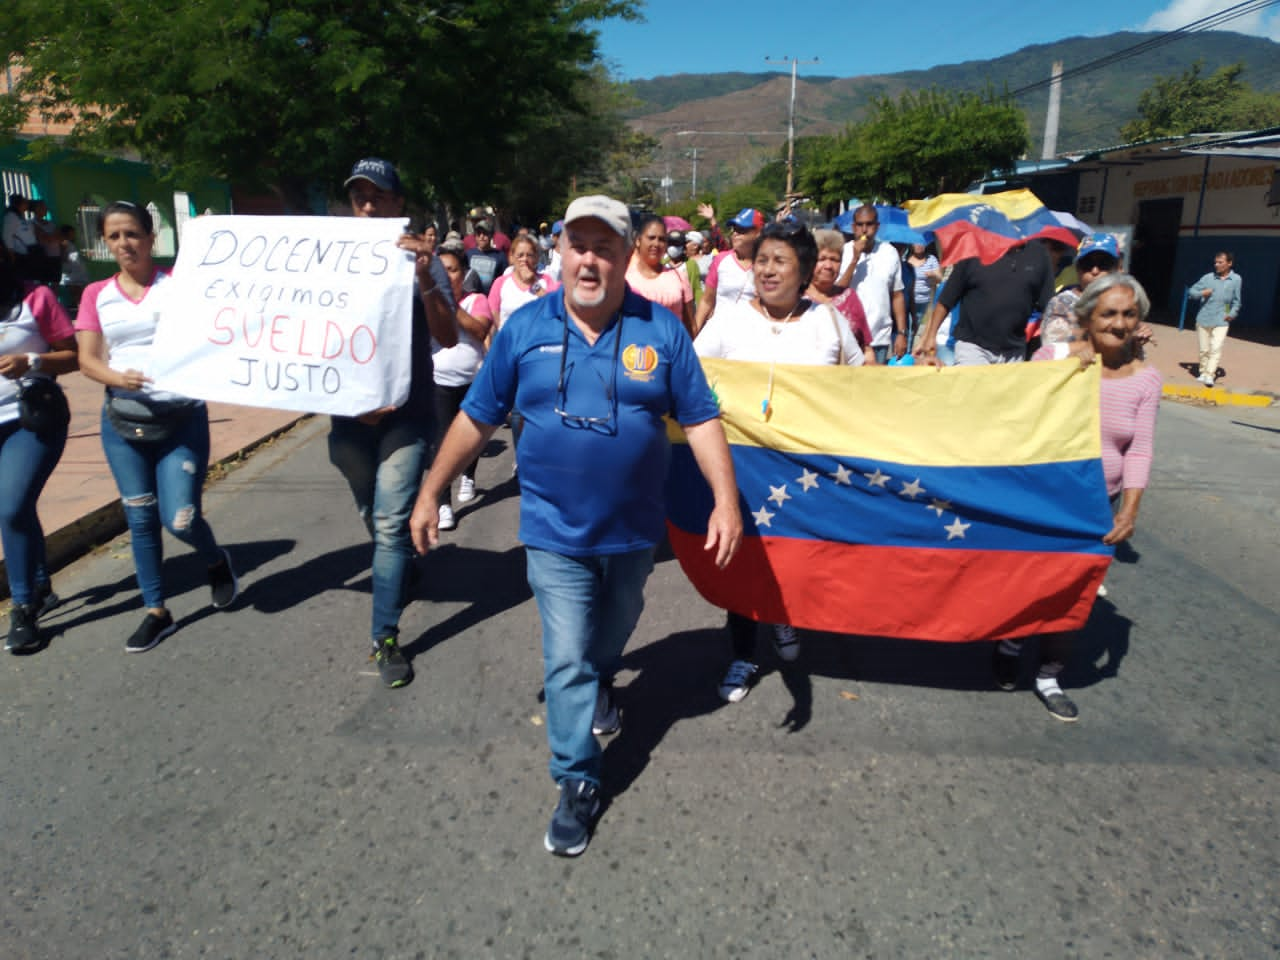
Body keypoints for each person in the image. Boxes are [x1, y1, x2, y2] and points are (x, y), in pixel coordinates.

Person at [409, 194, 742, 857]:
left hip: (633, 532)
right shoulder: (524, 329)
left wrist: (725, 500)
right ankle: (577, 780)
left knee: (609, 635)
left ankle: (601, 683)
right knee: (565, 656)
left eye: (605, 247)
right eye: (579, 245)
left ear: (624, 257)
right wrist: (431, 489)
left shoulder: (662, 331)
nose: (590, 259)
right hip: (552, 531)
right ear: (560, 252)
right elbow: (476, 417)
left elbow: (700, 417)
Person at [694, 221, 864, 703]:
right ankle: (744, 654)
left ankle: (786, 618)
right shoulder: (728, 320)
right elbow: (691, 376)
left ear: (805, 270)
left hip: (808, 474)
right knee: (744, 566)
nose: (767, 270)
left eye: (780, 261)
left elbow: (865, 385)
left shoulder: (828, 322)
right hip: (742, 470)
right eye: (763, 259)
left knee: (797, 560)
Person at [994, 273, 1162, 721]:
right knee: (1025, 585)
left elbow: (1139, 449)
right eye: (1109, 313)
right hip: (1040, 499)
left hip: (1093, 509)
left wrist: (1129, 510)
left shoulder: (1147, 380)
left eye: (1130, 314)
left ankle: (1049, 675)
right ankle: (1010, 641)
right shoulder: (1053, 358)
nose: (1120, 323)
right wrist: (1068, 363)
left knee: (1071, 596)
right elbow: (1011, 411)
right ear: (1087, 317)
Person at [74, 201, 239, 653]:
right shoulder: (95, 295)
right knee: (140, 518)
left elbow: (221, 311)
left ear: (150, 238)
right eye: (114, 237)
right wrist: (116, 378)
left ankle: (215, 561)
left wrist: (210, 241)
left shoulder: (179, 284)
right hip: (124, 423)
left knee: (181, 519)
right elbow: (87, 360)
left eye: (132, 234)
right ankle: (156, 611)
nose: (124, 244)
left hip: (181, 420)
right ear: (105, 243)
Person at [326, 158, 458, 688]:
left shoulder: (420, 261)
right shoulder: (329, 262)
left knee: (387, 521)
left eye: (378, 196)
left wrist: (426, 276)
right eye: (360, 196)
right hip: (349, 416)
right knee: (371, 510)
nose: (368, 205)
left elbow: (448, 336)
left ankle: (385, 635)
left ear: (399, 204)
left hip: (407, 412)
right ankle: (398, 563)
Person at [1, 259, 78, 653]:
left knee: (12, 507)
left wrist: (30, 361)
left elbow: (73, 355)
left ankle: (23, 608)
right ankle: (40, 582)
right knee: (17, 504)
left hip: (29, 418)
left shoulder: (35, 297)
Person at [915, 240, 1055, 367]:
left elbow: (1048, 307)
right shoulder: (974, 250)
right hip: (973, 347)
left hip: (1014, 351)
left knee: (1005, 396)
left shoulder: (1039, 255)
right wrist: (930, 335)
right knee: (973, 394)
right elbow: (947, 298)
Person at [432, 243, 493, 530]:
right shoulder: (426, 303)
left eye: (452, 270)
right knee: (442, 442)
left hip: (472, 382)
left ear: (464, 274)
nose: (446, 275)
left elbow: (479, 330)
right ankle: (443, 503)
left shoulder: (476, 300)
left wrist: (449, 303)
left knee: (471, 440)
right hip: (438, 383)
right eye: (440, 270)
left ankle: (468, 474)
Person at [836, 205, 908, 363]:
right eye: (860, 225)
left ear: (877, 227)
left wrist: (902, 333)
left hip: (879, 338)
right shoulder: (844, 252)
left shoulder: (889, 252)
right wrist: (855, 260)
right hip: (848, 336)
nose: (864, 230)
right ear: (853, 227)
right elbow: (837, 292)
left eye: (869, 224)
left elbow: (897, 295)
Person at [693, 207, 762, 335]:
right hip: (718, 333)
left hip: (752, 335)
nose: (735, 233)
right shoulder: (721, 260)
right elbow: (707, 301)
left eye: (742, 230)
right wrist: (694, 331)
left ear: (758, 232)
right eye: (734, 229)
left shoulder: (767, 265)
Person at [808, 229, 874, 358]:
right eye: (821, 259)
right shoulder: (795, 298)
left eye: (834, 260)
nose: (828, 265)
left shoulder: (850, 298)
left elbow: (866, 348)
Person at [626, 214, 695, 335]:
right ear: (638, 240)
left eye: (662, 239)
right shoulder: (624, 278)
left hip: (671, 351)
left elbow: (690, 326)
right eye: (651, 238)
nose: (656, 244)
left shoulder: (678, 277)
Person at [1189, 251, 1241, 387]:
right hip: (1204, 318)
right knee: (1204, 350)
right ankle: (1203, 373)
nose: (1216, 265)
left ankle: (1210, 375)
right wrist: (1202, 293)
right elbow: (1191, 292)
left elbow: (1235, 301)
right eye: (1215, 262)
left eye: (1220, 262)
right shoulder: (1207, 278)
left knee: (1216, 348)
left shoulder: (1236, 280)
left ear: (1229, 263)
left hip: (1221, 320)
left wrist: (1231, 314)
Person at [487, 234, 558, 331]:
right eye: (520, 255)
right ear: (511, 258)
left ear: (536, 258)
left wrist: (533, 283)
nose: (525, 259)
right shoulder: (500, 283)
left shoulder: (546, 280)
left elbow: (554, 309)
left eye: (529, 255)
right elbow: (493, 313)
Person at [904, 243, 941, 349]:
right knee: (908, 325)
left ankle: (909, 350)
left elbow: (939, 277)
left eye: (922, 244)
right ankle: (906, 352)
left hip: (923, 301)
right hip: (908, 300)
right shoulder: (906, 258)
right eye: (916, 244)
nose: (919, 246)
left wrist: (933, 275)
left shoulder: (931, 259)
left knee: (915, 327)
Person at [465, 221, 508, 294]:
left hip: (491, 298)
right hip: (472, 298)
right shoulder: (468, 254)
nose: (481, 236)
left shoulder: (500, 256)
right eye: (478, 233)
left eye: (485, 233)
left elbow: (504, 280)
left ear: (491, 235)